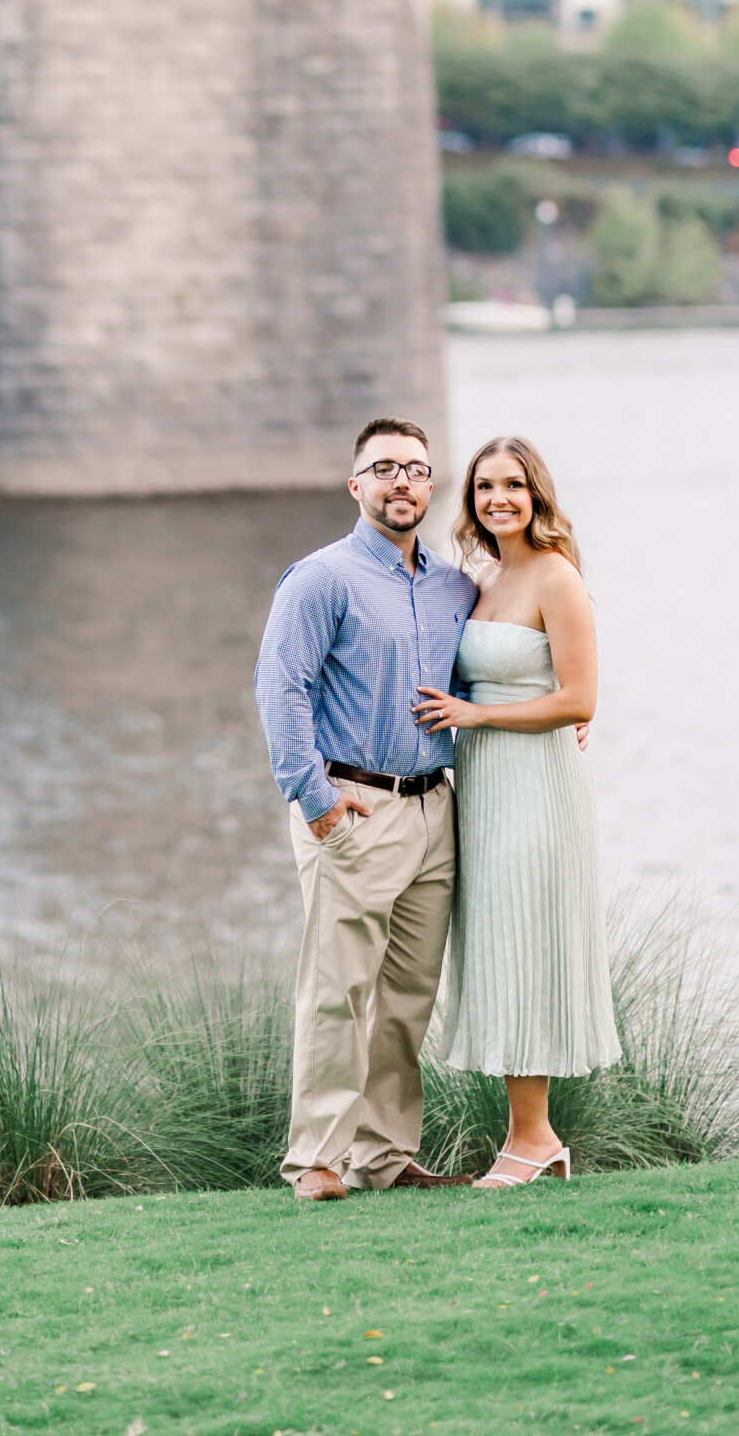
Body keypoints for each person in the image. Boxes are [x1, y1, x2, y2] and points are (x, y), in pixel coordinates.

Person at [254, 415, 478, 1201]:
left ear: (430, 483)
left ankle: (382, 1156)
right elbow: (280, 689)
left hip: (432, 814)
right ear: (356, 485)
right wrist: (313, 799)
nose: (401, 482)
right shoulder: (322, 578)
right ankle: (314, 1160)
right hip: (352, 807)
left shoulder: (453, 586)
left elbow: (478, 685)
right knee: (338, 989)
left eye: (415, 469)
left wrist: (563, 709)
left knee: (406, 996)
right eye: (383, 469)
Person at [413, 435, 620, 1188]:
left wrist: (478, 717)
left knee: (524, 946)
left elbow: (578, 698)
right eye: (482, 487)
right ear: (468, 500)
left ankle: (532, 1139)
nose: (497, 498)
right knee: (498, 947)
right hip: (485, 787)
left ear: (536, 494)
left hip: (535, 787)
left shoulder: (555, 575)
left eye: (512, 485)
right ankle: (531, 1137)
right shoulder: (481, 577)